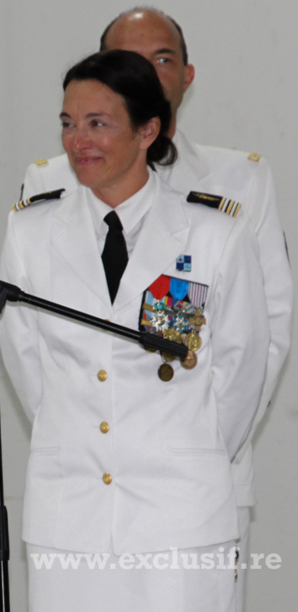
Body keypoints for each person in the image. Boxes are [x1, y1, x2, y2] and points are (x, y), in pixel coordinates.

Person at [18, 9, 292, 607]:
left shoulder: (216, 224)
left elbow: (247, 359)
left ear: (149, 129)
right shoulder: (34, 227)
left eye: (97, 123)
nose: (79, 140)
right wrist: (88, 435)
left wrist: (184, 447)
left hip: (182, 499)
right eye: (69, 123)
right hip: (73, 504)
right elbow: (30, 362)